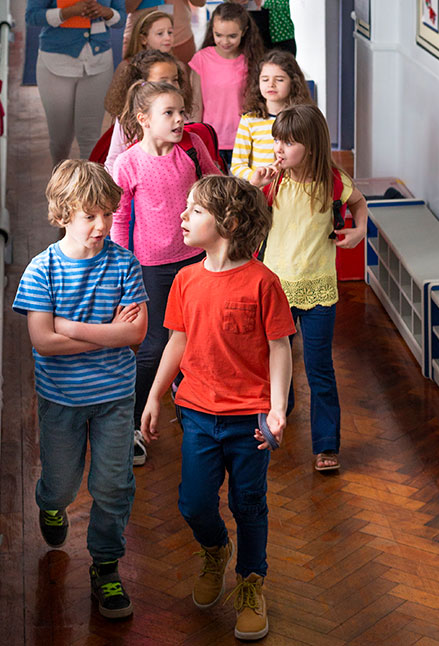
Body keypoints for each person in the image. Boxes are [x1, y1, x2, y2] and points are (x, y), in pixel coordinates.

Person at [140, 174, 295, 640]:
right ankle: (214, 549)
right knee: (194, 503)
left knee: (249, 504)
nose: (182, 216)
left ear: (227, 222)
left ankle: (251, 582)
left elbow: (280, 347)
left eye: (195, 211)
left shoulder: (263, 283)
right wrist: (153, 394)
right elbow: (177, 342)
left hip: (250, 420)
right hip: (197, 416)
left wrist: (279, 408)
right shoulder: (186, 280)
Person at [12, 160, 148, 619]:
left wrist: (69, 325)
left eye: (108, 214)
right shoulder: (41, 270)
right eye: (90, 215)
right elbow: (43, 342)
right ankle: (49, 503)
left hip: (115, 398)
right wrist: (102, 329)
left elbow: (134, 335)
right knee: (63, 484)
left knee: (113, 486)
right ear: (64, 212)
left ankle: (106, 567)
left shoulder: (124, 262)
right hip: (62, 401)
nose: (102, 224)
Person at [250, 104, 368, 472]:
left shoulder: (334, 182)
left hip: (319, 291)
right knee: (271, 361)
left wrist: (360, 230)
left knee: (319, 368)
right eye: (276, 141)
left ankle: (326, 445)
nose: (279, 149)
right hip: (275, 289)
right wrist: (254, 185)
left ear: (312, 146)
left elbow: (359, 203)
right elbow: (239, 212)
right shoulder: (273, 181)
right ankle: (277, 414)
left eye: (288, 142)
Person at [111, 81, 218, 465]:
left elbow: (213, 185)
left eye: (181, 112)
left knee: (196, 341)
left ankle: (198, 418)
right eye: (168, 114)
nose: (179, 120)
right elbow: (120, 220)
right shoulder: (128, 163)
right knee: (154, 346)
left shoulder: (192, 147)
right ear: (143, 120)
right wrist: (124, 270)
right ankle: (133, 426)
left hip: (196, 262)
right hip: (151, 268)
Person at [25, 0, 127, 165]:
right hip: (56, 63)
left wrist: (105, 12)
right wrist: (65, 12)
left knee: (91, 137)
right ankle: (60, 196)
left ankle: (88, 200)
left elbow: (120, 19)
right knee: (60, 140)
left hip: (98, 63)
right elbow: (32, 15)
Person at [189, 3, 264, 167]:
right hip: (211, 139)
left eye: (232, 36)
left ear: (243, 32)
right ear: (212, 31)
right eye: (219, 35)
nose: (225, 41)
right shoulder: (201, 59)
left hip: (244, 139)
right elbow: (196, 103)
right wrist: (195, 136)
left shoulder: (251, 61)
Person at [105, 49, 192, 175]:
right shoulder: (127, 120)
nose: (171, 85)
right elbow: (113, 160)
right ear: (143, 84)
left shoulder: (180, 115)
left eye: (175, 79)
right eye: (163, 81)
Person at [230, 50, 311, 181]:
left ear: (293, 83)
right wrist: (258, 177)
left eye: (279, 79)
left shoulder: (303, 119)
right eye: (265, 79)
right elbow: (237, 165)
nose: (271, 84)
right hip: (261, 191)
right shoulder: (249, 120)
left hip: (294, 189)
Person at [104, 10, 178, 119]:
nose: (167, 38)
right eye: (160, 33)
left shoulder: (177, 65)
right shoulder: (128, 66)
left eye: (170, 32)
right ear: (143, 39)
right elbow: (114, 106)